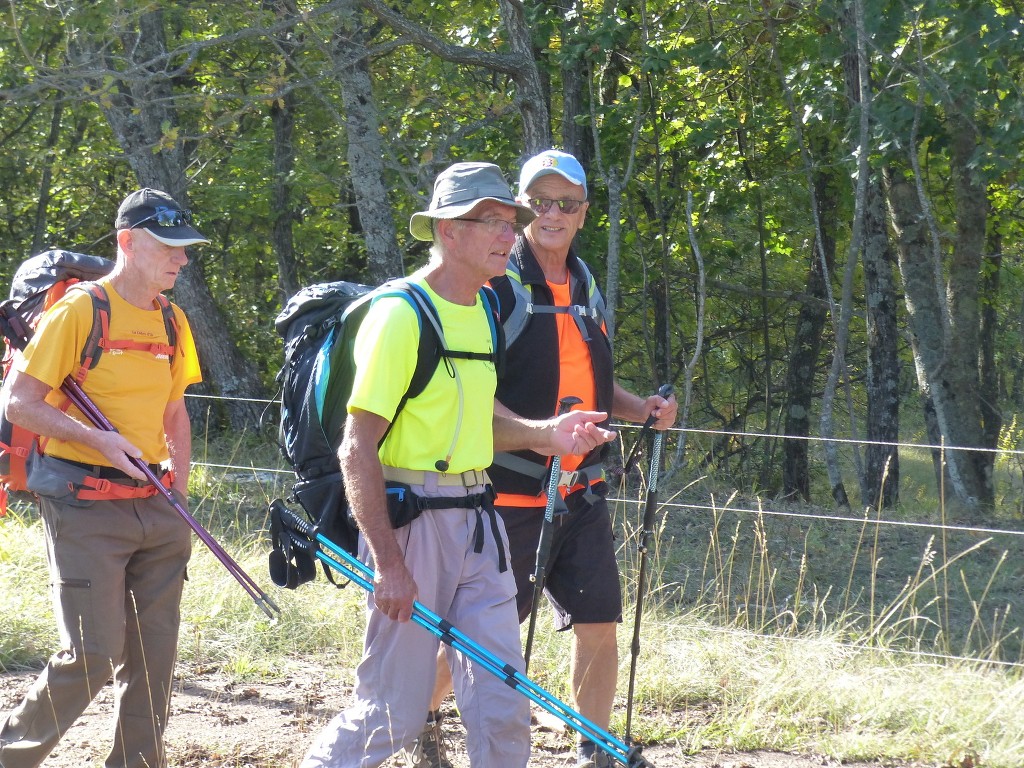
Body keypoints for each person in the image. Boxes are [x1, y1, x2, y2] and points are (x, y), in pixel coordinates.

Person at [299, 161, 616, 768]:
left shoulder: (477, 311)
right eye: (490, 222)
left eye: (509, 221)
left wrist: (547, 433)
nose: (508, 234)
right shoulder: (401, 313)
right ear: (447, 230)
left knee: (502, 704)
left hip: (481, 523)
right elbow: (355, 446)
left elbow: (483, 420)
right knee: (392, 710)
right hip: (413, 526)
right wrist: (389, 563)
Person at [413, 150, 678, 768]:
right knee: (484, 639)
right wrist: (541, 435)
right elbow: (471, 395)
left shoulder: (585, 285)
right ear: (521, 209)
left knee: (599, 620)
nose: (552, 213)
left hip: (583, 490)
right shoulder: (496, 286)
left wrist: (642, 410)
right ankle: (417, 716)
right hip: (509, 495)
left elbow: (589, 379)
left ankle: (597, 748)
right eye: (540, 201)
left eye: (567, 203)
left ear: (584, 214)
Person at [0, 189, 206, 768]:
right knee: (92, 652)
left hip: (159, 504)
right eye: (169, 247)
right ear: (128, 242)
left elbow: (174, 414)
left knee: (154, 656)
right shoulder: (81, 311)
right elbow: (19, 403)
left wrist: (180, 497)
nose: (182, 259)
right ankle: (12, 755)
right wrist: (99, 440)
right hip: (84, 503)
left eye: (185, 248)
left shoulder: (173, 318)